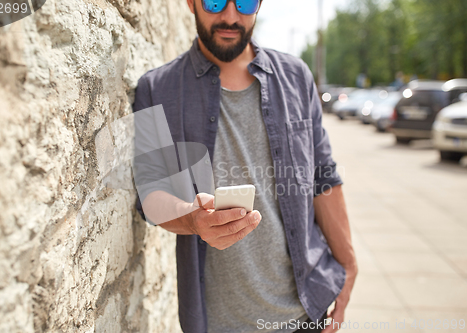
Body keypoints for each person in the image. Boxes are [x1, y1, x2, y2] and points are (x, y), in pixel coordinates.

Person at [132, 0, 358, 332]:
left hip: (307, 311)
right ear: (191, 3)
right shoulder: (156, 89)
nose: (229, 17)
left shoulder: (296, 77)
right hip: (218, 322)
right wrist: (193, 219)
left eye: (245, 3)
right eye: (213, 1)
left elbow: (322, 175)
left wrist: (349, 266)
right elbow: (150, 194)